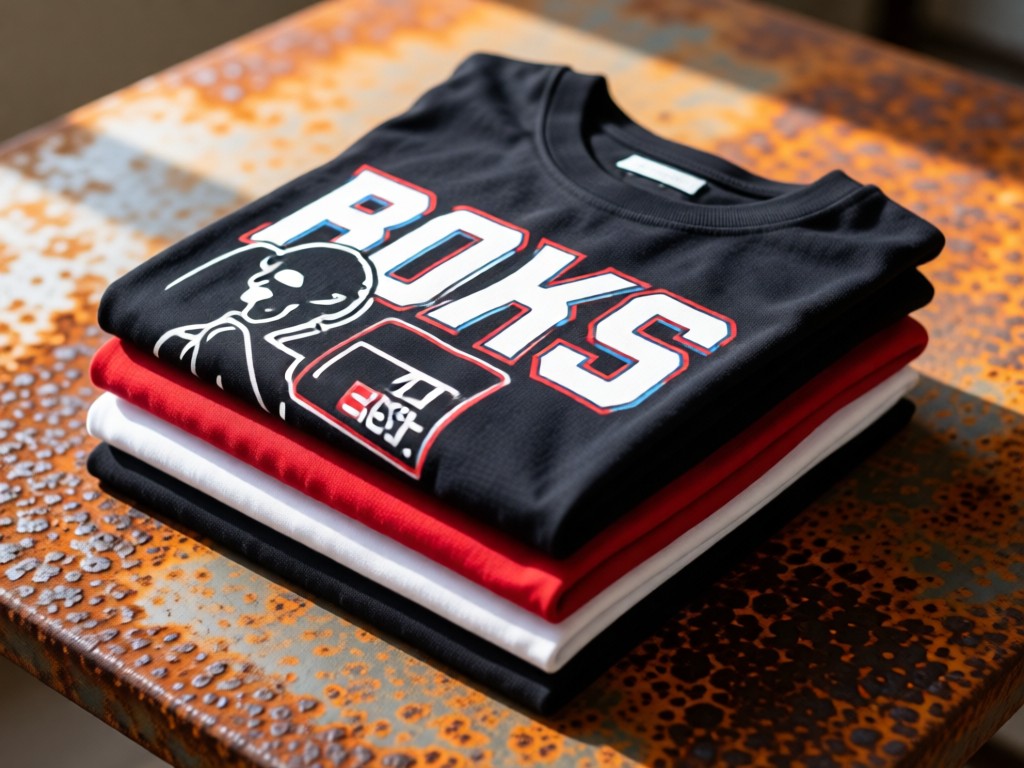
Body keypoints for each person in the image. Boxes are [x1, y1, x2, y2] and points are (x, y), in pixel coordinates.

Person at [154, 241, 376, 414]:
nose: (258, 280)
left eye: (285, 276)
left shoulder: (289, 376)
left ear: (330, 301)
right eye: (269, 268)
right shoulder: (193, 334)